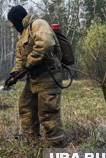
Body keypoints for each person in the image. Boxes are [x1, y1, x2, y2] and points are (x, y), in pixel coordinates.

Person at [5, 5, 65, 147]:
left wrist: (30, 62)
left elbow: (46, 44)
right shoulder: (22, 36)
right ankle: (31, 139)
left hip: (48, 75)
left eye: (13, 22)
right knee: (26, 106)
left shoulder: (38, 24)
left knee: (47, 111)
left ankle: (54, 144)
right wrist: (14, 74)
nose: (12, 26)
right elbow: (20, 59)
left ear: (18, 18)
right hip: (34, 78)